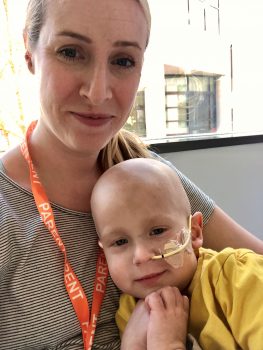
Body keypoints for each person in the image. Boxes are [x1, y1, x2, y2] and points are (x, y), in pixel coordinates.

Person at [0, 0, 263, 349]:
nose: (97, 92)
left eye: (123, 61)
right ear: (29, 53)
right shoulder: (8, 216)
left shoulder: (143, 172)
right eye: (71, 52)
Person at [90, 157, 263, 350]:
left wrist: (168, 345)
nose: (141, 256)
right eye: (120, 242)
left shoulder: (239, 278)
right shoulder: (131, 312)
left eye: (157, 231)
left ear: (195, 232)